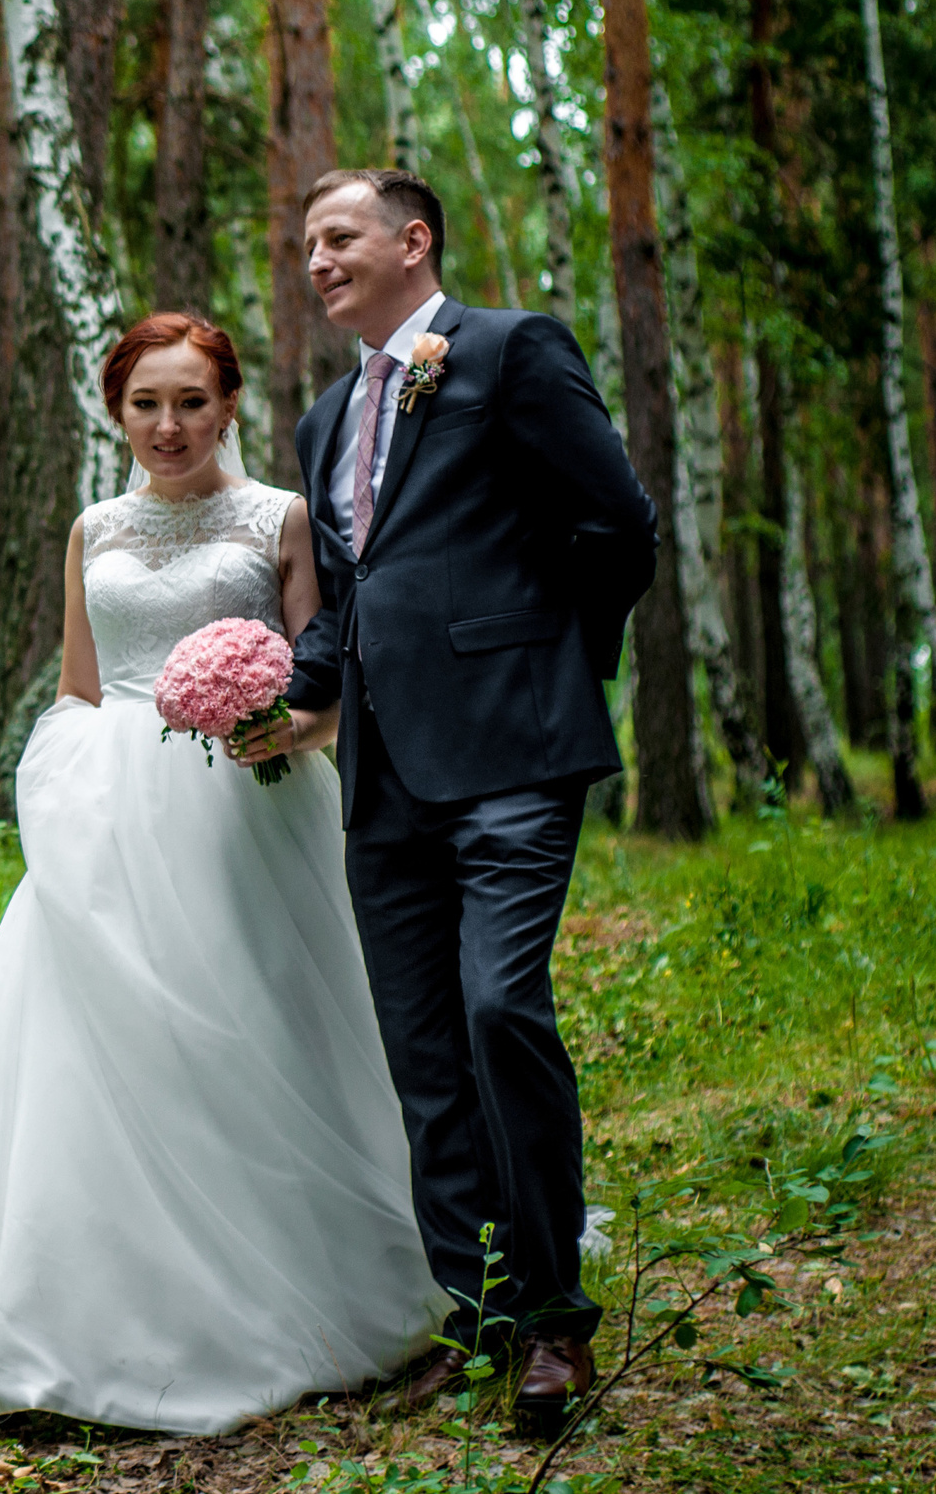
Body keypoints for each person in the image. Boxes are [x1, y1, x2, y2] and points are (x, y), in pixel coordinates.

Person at [0, 313, 444, 1436]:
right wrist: (58, 799)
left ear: (228, 404)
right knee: (96, 1047)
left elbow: (324, 677)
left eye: (191, 400)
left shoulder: (277, 517)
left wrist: (280, 727)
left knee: (251, 1025)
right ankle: (81, 1308)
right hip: (104, 806)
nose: (169, 424)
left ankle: (301, 1278)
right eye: (146, 402)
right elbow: (78, 686)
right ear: (116, 412)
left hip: (244, 803)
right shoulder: (92, 526)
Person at [237, 169, 656, 1430]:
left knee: (497, 1007)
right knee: (420, 1049)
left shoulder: (507, 351)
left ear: (412, 241)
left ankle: (553, 1320)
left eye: (340, 236)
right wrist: (281, 686)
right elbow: (353, 597)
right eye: (305, 244)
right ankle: (471, 1309)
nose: (316, 260)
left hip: (514, 755)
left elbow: (617, 523)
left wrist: (544, 665)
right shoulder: (320, 423)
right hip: (384, 769)